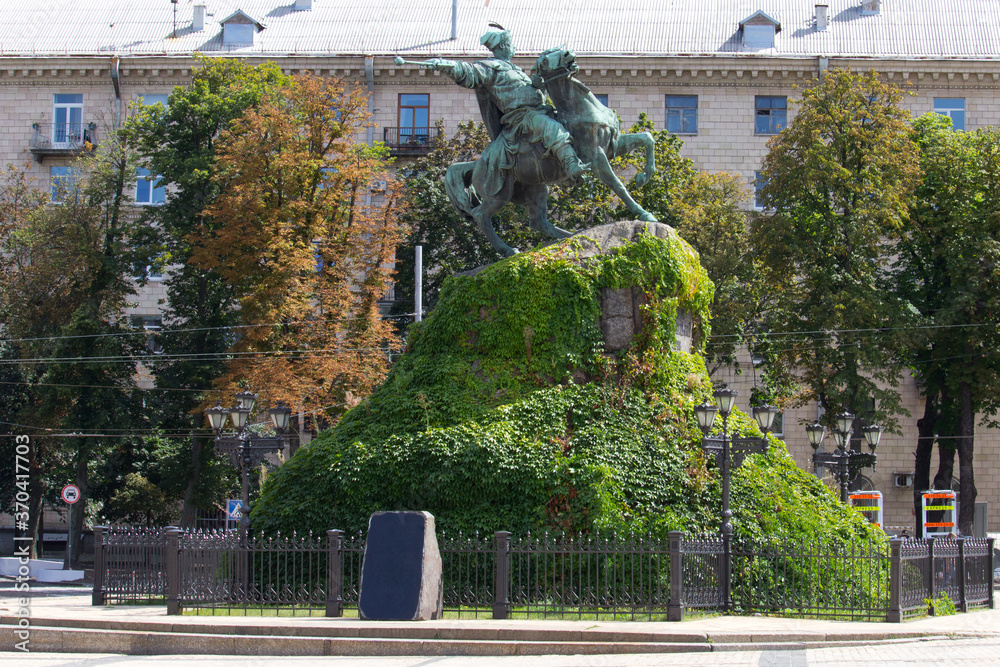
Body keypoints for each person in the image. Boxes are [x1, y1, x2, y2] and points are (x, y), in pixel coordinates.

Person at [428, 26, 590, 190]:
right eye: (511, 44)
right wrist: (444, 65)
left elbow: (530, 94)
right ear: (503, 46)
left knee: (567, 121)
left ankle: (566, 165)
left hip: (539, 110)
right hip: (522, 117)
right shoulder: (489, 67)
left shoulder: (515, 70)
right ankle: (571, 165)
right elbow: (468, 72)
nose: (514, 47)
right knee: (552, 128)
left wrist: (538, 87)